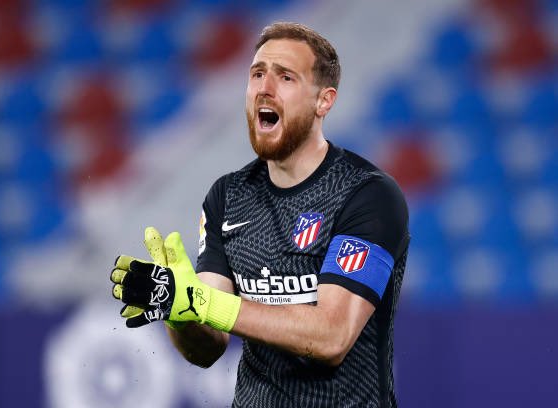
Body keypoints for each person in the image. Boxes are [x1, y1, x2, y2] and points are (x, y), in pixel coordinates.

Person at [110, 21, 409, 408]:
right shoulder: (228, 197)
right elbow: (207, 348)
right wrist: (178, 310)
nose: (264, 88)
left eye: (285, 77)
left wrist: (204, 303)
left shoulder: (366, 194)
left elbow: (332, 337)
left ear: (323, 101)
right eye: (257, 74)